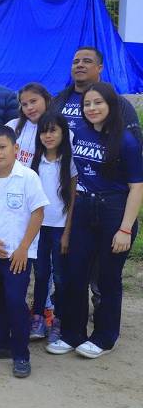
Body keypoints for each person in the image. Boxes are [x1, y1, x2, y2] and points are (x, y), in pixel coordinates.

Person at [48, 83, 143, 359]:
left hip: (114, 210)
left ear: (111, 106)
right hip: (83, 209)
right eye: (87, 104)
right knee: (75, 273)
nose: (92, 108)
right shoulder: (78, 133)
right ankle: (72, 333)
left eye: (98, 103)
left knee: (107, 278)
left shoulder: (126, 141)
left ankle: (104, 337)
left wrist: (125, 229)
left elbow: (137, 187)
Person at [0, 126, 48, 379]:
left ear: (15, 149)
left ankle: (21, 355)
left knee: (15, 303)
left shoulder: (28, 177)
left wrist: (24, 248)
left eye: (2, 147)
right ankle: (2, 344)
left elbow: (38, 212)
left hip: (18, 256)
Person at [29, 112, 76, 343]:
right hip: (38, 229)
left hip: (60, 229)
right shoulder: (35, 162)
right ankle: (37, 317)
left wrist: (67, 232)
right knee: (40, 274)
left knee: (59, 276)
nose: (48, 135)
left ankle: (59, 320)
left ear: (63, 133)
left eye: (53, 130)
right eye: (44, 131)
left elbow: (73, 201)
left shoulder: (68, 162)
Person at [51, 46, 141, 136]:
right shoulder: (58, 100)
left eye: (87, 61)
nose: (79, 65)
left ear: (100, 68)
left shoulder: (118, 103)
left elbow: (133, 143)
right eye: (75, 62)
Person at [6, 83, 52, 167]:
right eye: (24, 104)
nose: (29, 107)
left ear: (46, 100)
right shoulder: (11, 126)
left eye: (33, 101)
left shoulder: (58, 128)